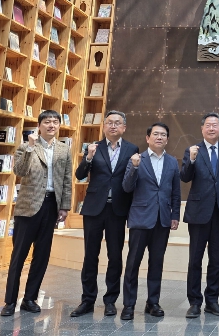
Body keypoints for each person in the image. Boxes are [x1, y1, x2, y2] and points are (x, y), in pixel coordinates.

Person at [1, 110, 72, 316]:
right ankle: (10, 301)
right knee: (19, 255)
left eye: (55, 122)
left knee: (41, 255)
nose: (52, 125)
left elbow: (67, 179)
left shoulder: (64, 149)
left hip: (51, 206)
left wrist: (65, 206)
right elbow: (19, 171)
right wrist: (31, 148)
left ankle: (30, 299)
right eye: (47, 122)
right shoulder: (26, 146)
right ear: (39, 125)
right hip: (28, 207)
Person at [71, 110, 139, 317]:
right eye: (109, 122)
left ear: (124, 128)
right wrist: (88, 157)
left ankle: (110, 300)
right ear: (104, 126)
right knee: (90, 255)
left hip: (117, 209)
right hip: (94, 209)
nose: (113, 126)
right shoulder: (94, 147)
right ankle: (87, 300)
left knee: (115, 256)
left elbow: (132, 179)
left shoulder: (132, 149)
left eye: (117, 123)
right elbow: (80, 175)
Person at [120, 123, 181, 320]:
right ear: (148, 138)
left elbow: (175, 192)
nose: (159, 137)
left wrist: (175, 215)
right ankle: (129, 305)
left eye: (163, 134)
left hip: (162, 220)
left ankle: (152, 302)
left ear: (167, 139)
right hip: (140, 219)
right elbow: (127, 187)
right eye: (155, 134)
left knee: (156, 263)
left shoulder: (172, 162)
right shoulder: (137, 159)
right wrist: (134, 167)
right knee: (133, 264)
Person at [181, 113, 219, 318]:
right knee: (195, 259)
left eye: (215, 125)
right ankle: (194, 302)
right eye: (208, 125)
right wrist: (191, 160)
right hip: (198, 213)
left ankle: (212, 301)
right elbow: (185, 177)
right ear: (202, 129)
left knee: (216, 259)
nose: (211, 128)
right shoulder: (193, 150)